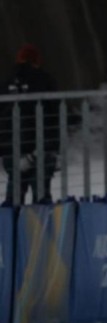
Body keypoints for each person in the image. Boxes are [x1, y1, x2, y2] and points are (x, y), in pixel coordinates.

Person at [1, 43, 59, 204]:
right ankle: (40, 226)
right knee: (41, 194)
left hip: (11, 148)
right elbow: (54, 113)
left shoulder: (5, 82)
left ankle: (9, 225)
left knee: (14, 192)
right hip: (39, 147)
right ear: (37, 61)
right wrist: (54, 147)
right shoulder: (45, 79)